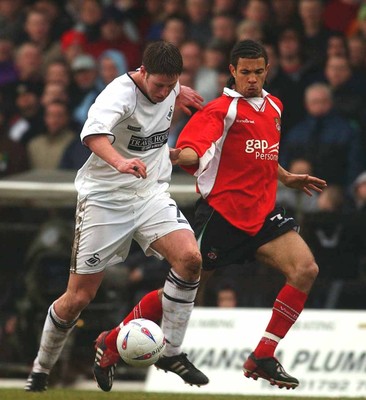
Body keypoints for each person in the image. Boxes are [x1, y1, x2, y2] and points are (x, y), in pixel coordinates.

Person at [88, 39, 326, 391]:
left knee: (305, 269)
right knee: (181, 290)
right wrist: (168, 156)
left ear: (266, 70)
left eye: (258, 72)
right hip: (222, 216)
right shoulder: (221, 110)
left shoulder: (274, 106)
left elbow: (260, 153)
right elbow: (191, 151)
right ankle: (110, 342)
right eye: (245, 72)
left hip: (261, 215)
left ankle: (262, 355)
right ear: (232, 71)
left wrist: (286, 176)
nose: (252, 79)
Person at [24, 40, 208, 392]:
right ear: (142, 72)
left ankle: (171, 350)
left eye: (172, 85)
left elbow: (171, 88)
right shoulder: (118, 95)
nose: (165, 92)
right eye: (159, 85)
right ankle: (41, 369)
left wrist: (178, 93)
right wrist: (121, 162)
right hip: (105, 200)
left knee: (190, 259)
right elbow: (93, 135)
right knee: (78, 297)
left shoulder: (168, 87)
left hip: (149, 192)